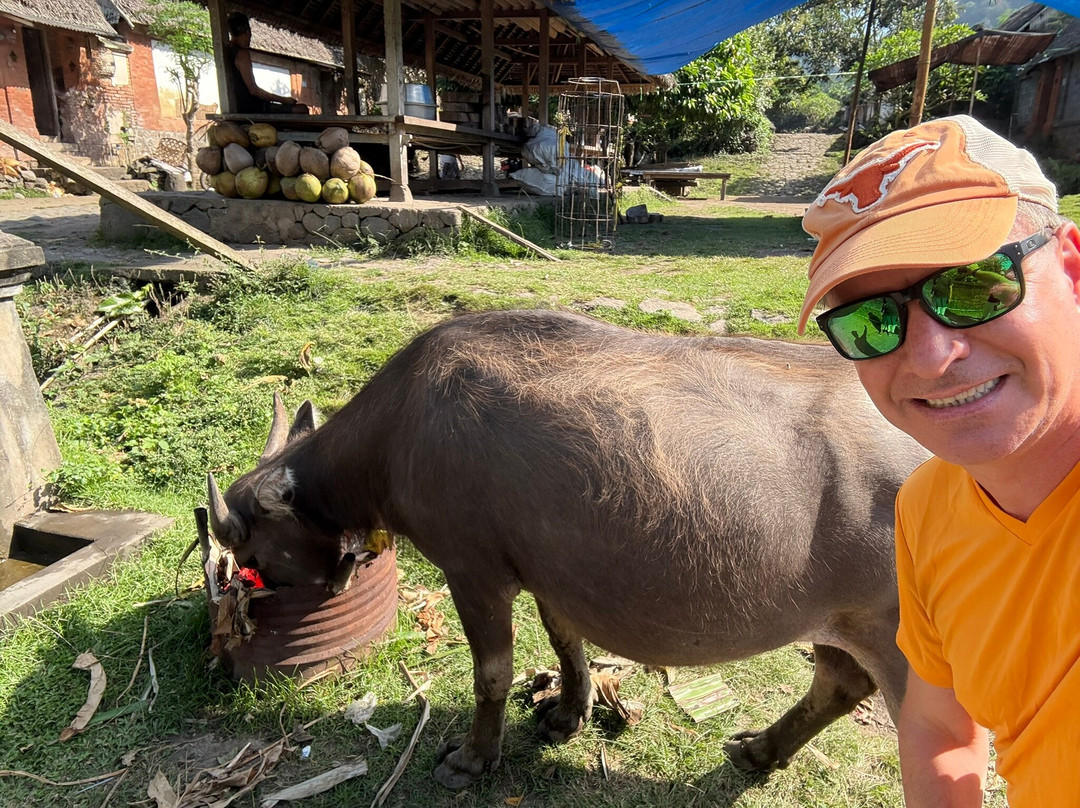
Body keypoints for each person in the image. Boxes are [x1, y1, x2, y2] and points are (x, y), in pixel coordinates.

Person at [797, 114, 1080, 807]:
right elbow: (939, 726)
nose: (929, 358)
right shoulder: (928, 506)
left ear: (1072, 269)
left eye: (975, 286)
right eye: (870, 321)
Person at [226, 13, 308, 115]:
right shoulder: (242, 54)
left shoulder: (228, 50)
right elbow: (254, 90)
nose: (249, 40)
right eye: (249, 36)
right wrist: (283, 100)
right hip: (253, 108)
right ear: (247, 32)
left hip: (243, 106)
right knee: (303, 109)